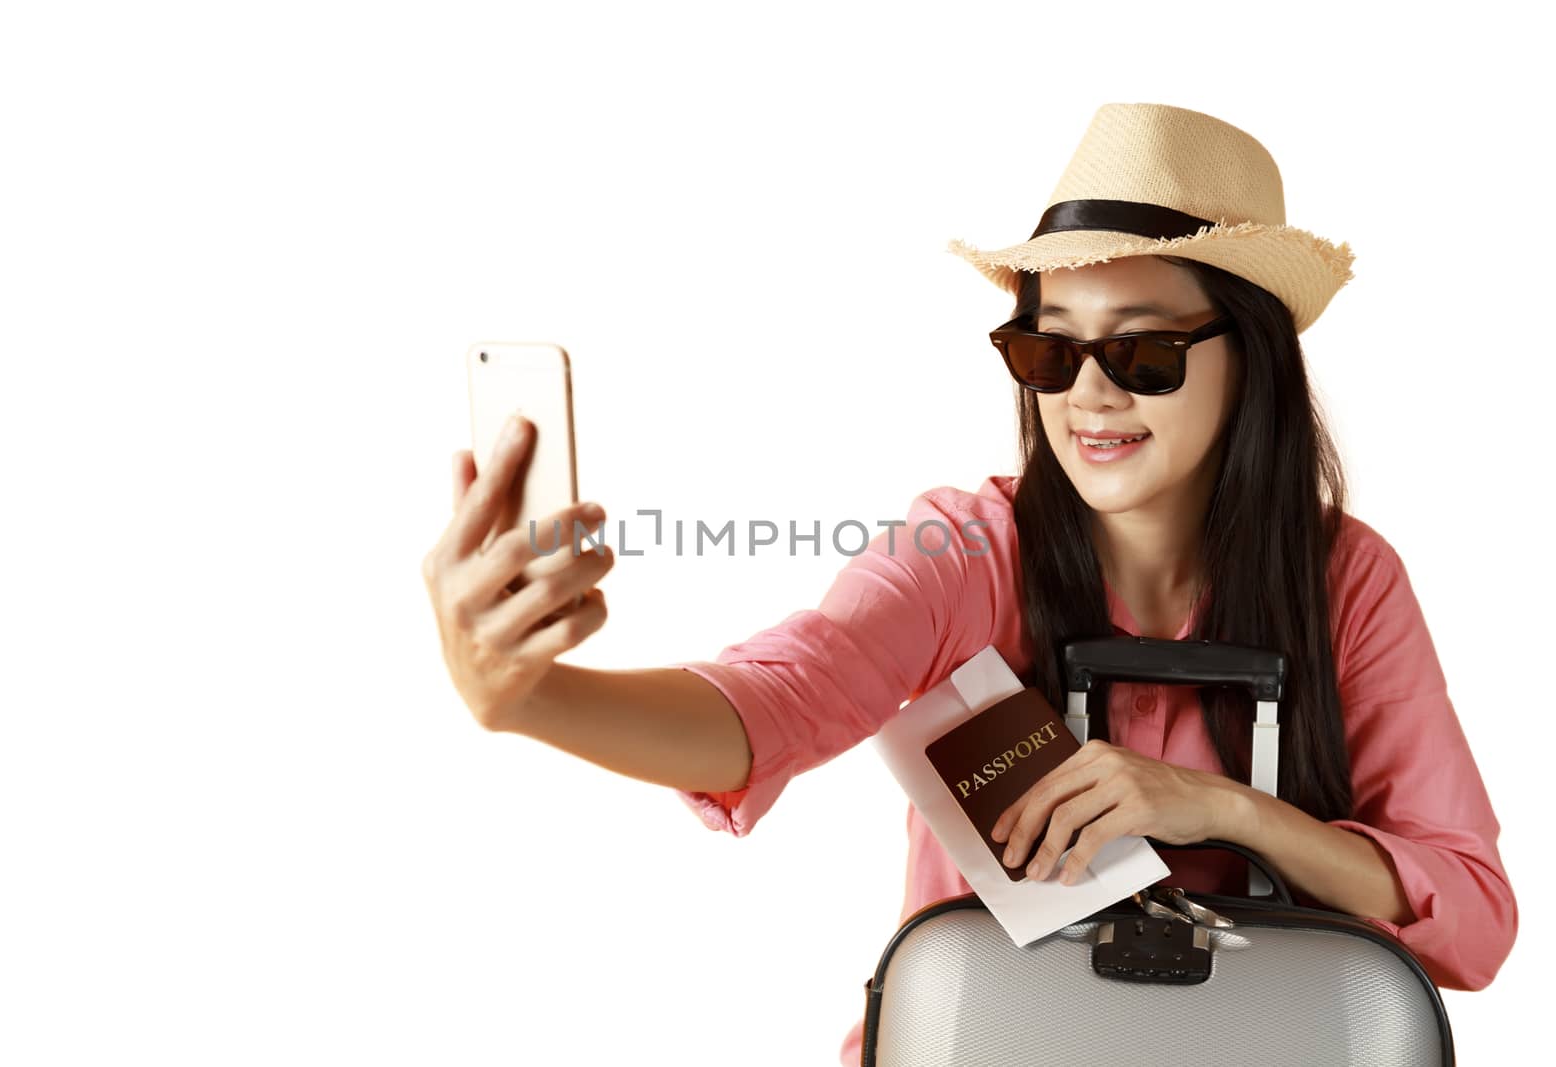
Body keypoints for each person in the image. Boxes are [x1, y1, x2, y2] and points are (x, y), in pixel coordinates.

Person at [421, 102, 1518, 1065]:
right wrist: (532, 697)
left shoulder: (1347, 580)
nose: (1088, 395)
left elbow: (1470, 918)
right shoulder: (965, 546)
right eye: (1047, 354)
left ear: (1254, 359)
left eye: (1143, 356)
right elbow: (778, 697)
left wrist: (1224, 808)